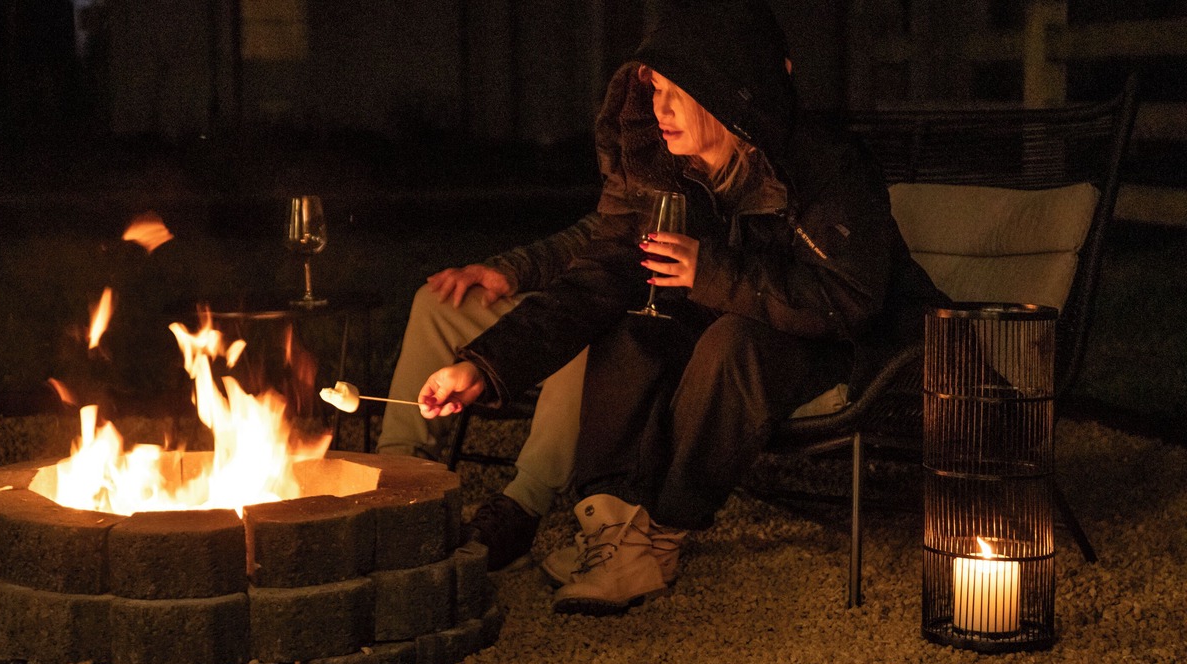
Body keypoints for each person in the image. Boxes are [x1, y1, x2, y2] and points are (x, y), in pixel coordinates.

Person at [416, 0, 950, 616]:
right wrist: (482, 368)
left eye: (677, 93)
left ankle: (660, 535)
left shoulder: (826, 167)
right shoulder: (675, 178)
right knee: (631, 330)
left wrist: (710, 271)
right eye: (655, 91)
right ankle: (614, 528)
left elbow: (849, 299)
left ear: (726, 94)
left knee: (733, 345)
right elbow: (594, 283)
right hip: (756, 318)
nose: (657, 109)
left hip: (851, 345)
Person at [377, 214, 599, 570]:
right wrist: (511, 270)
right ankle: (397, 479)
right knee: (439, 302)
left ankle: (521, 507)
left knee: (585, 336)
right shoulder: (651, 166)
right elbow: (603, 234)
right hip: (586, 295)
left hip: (644, 317)